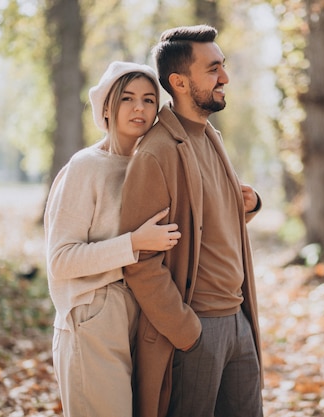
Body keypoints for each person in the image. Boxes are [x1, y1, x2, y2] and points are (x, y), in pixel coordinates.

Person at [118, 25, 263, 417]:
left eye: (223, 66)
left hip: (239, 320)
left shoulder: (210, 135)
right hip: (198, 328)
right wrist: (187, 332)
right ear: (180, 82)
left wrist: (247, 206)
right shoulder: (156, 153)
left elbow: (203, 224)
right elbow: (139, 259)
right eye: (213, 69)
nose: (225, 78)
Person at [44, 61, 181, 417]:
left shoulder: (152, 166)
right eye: (128, 99)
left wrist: (248, 205)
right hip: (93, 310)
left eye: (149, 100)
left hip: (143, 312)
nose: (139, 108)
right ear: (107, 107)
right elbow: (60, 260)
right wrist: (133, 243)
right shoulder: (85, 166)